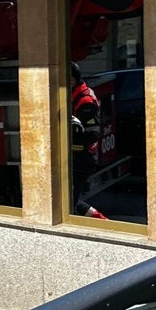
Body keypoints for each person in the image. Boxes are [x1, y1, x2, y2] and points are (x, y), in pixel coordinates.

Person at [70, 63, 108, 220]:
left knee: (70, 202)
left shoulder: (84, 101)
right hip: (76, 157)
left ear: (71, 80)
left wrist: (68, 135)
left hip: (80, 158)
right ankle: (102, 221)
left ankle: (103, 223)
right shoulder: (76, 93)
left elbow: (92, 133)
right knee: (72, 200)